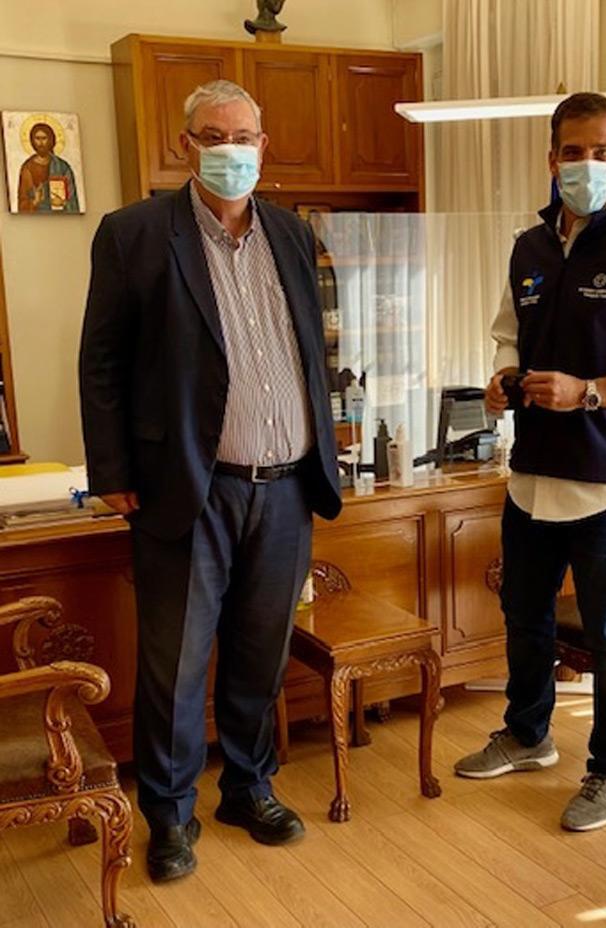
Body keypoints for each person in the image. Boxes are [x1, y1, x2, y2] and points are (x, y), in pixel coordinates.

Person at [79, 79, 341, 882]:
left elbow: (311, 350)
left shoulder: (290, 233)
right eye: (213, 136)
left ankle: (248, 789)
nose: (232, 150)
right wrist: (113, 470)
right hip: (187, 489)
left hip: (287, 487)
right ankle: (169, 816)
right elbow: (102, 361)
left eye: (244, 137)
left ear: (263, 145)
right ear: (186, 145)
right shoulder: (134, 234)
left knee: (261, 655)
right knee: (177, 664)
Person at [454, 93, 606, 832]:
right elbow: (508, 334)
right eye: (572, 151)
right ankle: (528, 735)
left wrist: (589, 393)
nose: (584, 164)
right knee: (523, 614)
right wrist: (502, 379)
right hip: (531, 475)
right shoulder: (528, 248)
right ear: (551, 157)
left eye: (600, 152)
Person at [17, 121, 80, 213]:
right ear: (32, 141)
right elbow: (22, 203)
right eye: (37, 138)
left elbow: (73, 201)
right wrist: (35, 201)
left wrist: (63, 203)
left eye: (44, 138)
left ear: (50, 140)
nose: (40, 143)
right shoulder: (27, 167)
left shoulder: (62, 167)